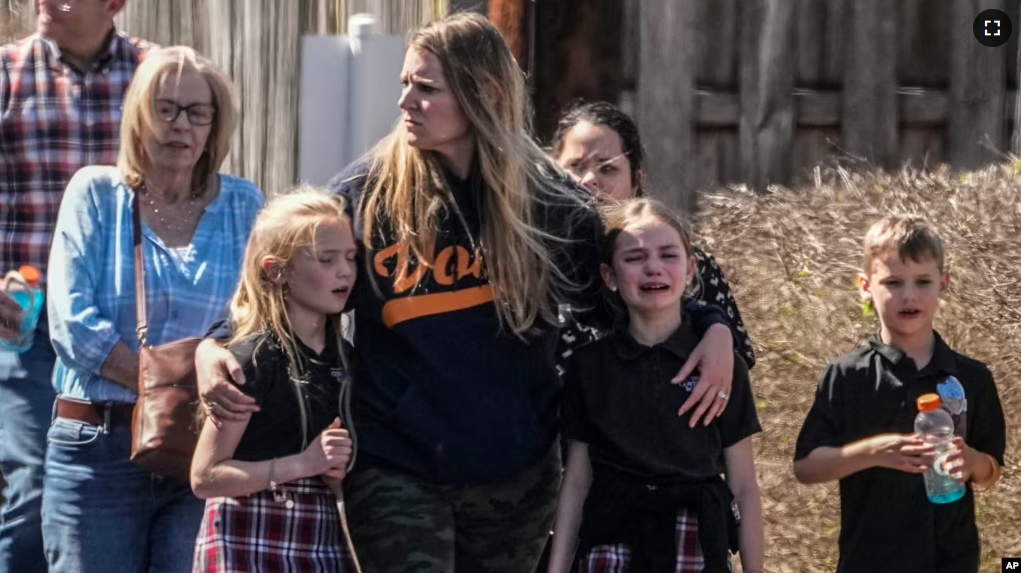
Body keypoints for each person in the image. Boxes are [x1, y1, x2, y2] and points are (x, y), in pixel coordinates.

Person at [196, 13, 737, 573]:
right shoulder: (368, 194)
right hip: (395, 464)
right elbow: (282, 282)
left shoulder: (552, 206)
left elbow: (633, 295)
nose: (406, 101)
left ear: (485, 94)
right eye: (405, 84)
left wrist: (711, 326)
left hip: (516, 475)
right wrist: (213, 346)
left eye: (426, 89)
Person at [43, 46, 263, 573]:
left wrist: (192, 403)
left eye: (196, 112)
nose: (180, 125)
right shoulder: (95, 193)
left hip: (201, 456)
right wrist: (170, 392)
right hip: (98, 449)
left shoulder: (244, 205)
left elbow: (256, 321)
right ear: (139, 114)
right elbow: (72, 325)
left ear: (215, 126)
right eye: (165, 108)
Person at [0, 1, 153, 570]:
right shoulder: (7, 75)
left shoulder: (154, 75)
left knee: (134, 478)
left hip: (130, 321)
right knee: (35, 480)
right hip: (29, 321)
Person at [548, 198, 764, 573]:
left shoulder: (724, 367)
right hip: (610, 539)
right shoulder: (589, 366)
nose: (653, 268)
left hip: (696, 539)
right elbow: (577, 483)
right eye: (634, 258)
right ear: (609, 276)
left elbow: (744, 486)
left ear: (691, 269)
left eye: (668, 255)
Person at [793, 216, 1006, 573]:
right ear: (865, 286)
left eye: (923, 281)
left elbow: (992, 471)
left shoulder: (972, 377)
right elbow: (805, 467)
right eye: (893, 282)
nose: (909, 295)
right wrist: (875, 451)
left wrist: (972, 462)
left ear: (944, 284)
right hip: (869, 561)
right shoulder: (847, 376)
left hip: (952, 560)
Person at [191, 190, 359, 572]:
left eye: (351, 258)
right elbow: (205, 477)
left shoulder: (346, 358)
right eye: (326, 259)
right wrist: (304, 463)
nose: (345, 271)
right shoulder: (253, 357)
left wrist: (336, 471)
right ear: (276, 269)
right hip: (246, 533)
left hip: (318, 532)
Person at [550, 101, 755, 373]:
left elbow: (736, 368)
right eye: (575, 166)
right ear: (552, 176)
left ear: (636, 181)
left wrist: (718, 331)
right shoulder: (534, 267)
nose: (589, 180)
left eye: (607, 168)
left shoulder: (686, 266)